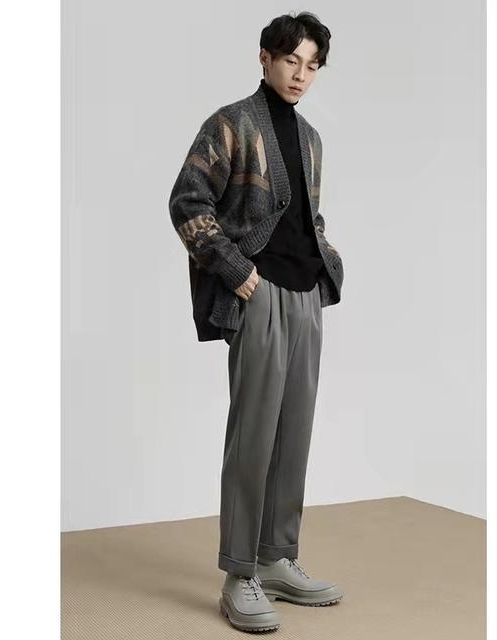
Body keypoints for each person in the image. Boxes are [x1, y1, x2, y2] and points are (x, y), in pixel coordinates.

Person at [168, 11, 345, 633]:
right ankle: (238, 570)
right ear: (265, 57)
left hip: (306, 298)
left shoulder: (312, 139)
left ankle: (275, 558)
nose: (301, 75)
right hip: (259, 295)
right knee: (253, 437)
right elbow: (187, 202)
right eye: (291, 60)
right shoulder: (231, 124)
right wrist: (237, 272)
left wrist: (327, 265)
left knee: (295, 434)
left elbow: (308, 219)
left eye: (312, 65)